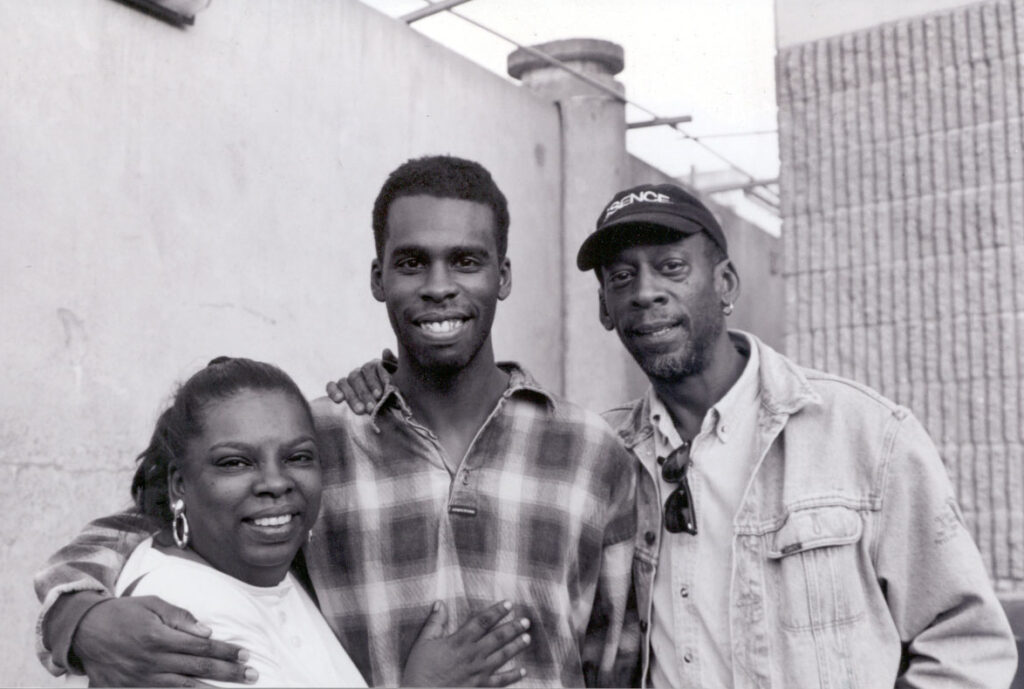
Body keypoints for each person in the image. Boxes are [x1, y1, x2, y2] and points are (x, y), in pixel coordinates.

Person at [332, 182, 1018, 688]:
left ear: (724, 282)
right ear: (604, 308)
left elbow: (967, 644)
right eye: (622, 276)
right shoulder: (597, 457)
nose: (645, 292)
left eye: (671, 267)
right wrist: (383, 385)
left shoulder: (862, 435)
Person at [35, 156, 639, 687]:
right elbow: (146, 525)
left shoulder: (590, 450)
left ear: (501, 277)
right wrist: (79, 618)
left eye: (465, 261)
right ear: (378, 278)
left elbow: (614, 660)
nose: (437, 287)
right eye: (410, 263)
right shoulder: (314, 443)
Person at [38, 355, 527, 687]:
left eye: (298, 457)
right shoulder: (184, 618)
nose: (275, 482)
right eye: (235, 462)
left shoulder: (272, 578)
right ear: (177, 486)